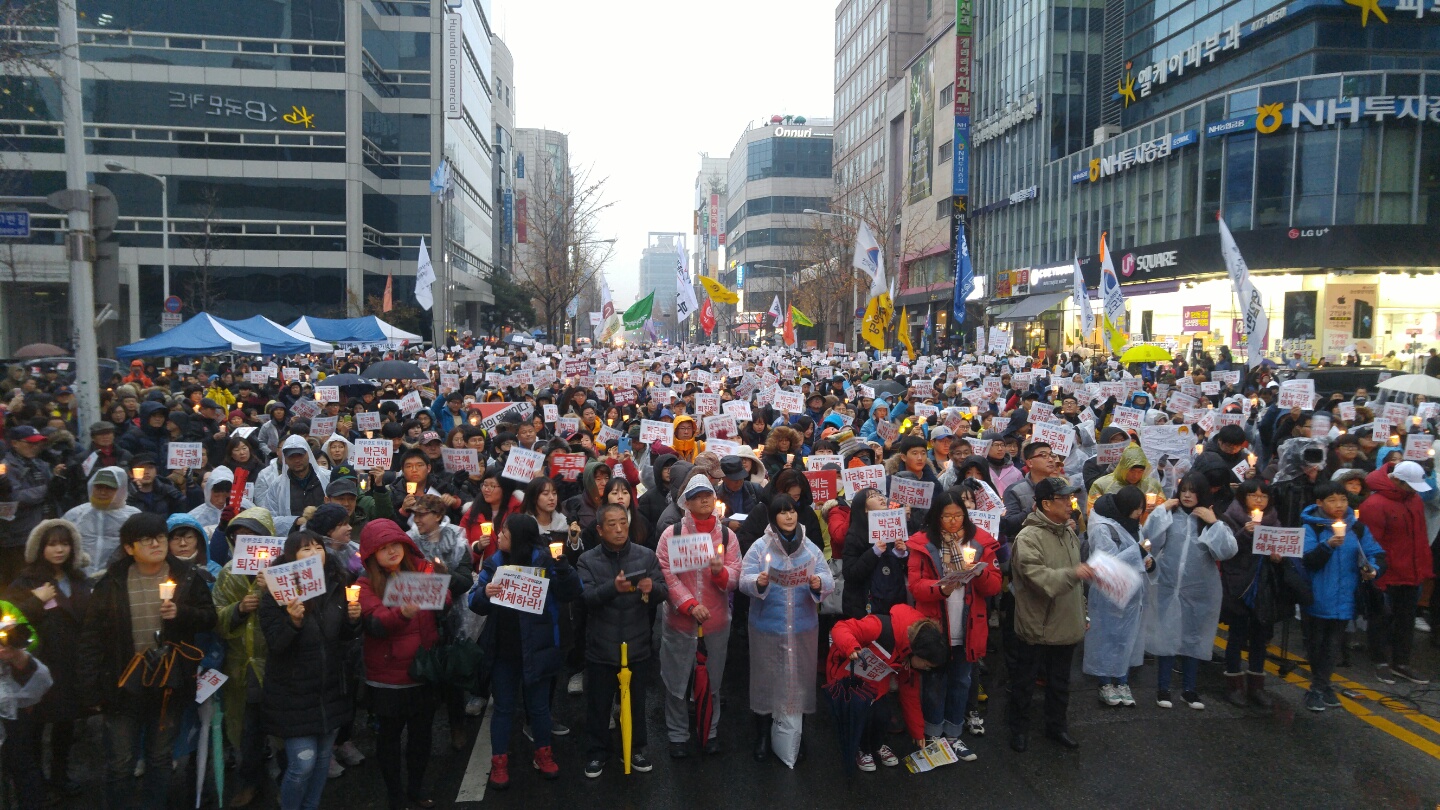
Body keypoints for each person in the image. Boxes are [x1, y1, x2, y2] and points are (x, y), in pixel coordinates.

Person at [78, 512, 217, 810]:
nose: (156, 544)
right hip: (121, 685)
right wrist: (92, 690)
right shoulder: (110, 584)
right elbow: (92, 639)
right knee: (120, 762)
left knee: (160, 758)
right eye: (146, 539)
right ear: (129, 548)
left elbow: (209, 618)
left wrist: (183, 614)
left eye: (160, 538)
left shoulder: (188, 577)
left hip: (168, 684)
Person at [470, 514, 582, 789]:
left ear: (519, 538)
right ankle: (499, 762)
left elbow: (573, 591)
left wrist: (564, 566)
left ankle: (543, 754)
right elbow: (474, 600)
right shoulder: (495, 563)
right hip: (504, 652)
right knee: (504, 708)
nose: (499, 537)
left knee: (540, 708)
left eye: (505, 534)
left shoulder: (546, 561)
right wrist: (486, 591)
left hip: (539, 648)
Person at [257, 529, 361, 810]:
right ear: (291, 557)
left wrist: (352, 621)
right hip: (293, 694)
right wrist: (292, 622)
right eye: (306, 549)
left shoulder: (337, 585)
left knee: (320, 762)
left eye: (318, 548)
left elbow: (340, 638)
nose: (315, 554)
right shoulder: (276, 593)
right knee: (302, 764)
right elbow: (276, 645)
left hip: (329, 689)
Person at [357, 519, 446, 810]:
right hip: (388, 679)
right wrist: (402, 613)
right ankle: (395, 795)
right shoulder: (365, 583)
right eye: (382, 548)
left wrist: (442, 581)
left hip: (423, 671)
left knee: (422, 737)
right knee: (389, 740)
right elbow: (375, 624)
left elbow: (443, 601)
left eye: (394, 544)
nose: (391, 551)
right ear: (371, 555)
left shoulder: (421, 569)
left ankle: (416, 790)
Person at [739, 493, 833, 767]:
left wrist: (818, 583)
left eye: (792, 511)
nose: (789, 516)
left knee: (799, 682)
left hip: (803, 626)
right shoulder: (760, 546)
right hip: (767, 627)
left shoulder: (810, 548)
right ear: (773, 517)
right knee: (766, 681)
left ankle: (796, 735)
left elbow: (828, 578)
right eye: (783, 512)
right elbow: (744, 579)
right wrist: (759, 581)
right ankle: (763, 736)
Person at [905, 490, 1000, 758]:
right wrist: (941, 589)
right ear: (936, 517)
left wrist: (977, 573)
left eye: (958, 515)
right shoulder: (923, 544)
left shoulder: (980, 542)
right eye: (947, 516)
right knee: (934, 681)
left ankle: (954, 734)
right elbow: (916, 585)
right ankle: (933, 734)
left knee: (961, 680)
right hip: (936, 625)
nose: (953, 521)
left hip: (968, 625)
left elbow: (993, 585)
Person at [575, 502, 666, 778]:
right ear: (600, 530)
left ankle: (637, 748)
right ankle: (597, 752)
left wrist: (652, 589)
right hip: (602, 645)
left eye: (623, 523)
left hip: (637, 642)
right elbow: (587, 599)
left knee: (637, 703)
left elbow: (663, 590)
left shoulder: (646, 555)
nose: (618, 529)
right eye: (611, 525)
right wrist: (612, 588)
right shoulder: (587, 560)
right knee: (599, 704)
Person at [654, 474, 740, 758]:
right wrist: (689, 604)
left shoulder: (728, 536)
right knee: (676, 681)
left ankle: (710, 731)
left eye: (708, 495)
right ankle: (678, 735)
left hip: (716, 623)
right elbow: (664, 574)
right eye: (697, 496)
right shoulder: (672, 534)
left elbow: (735, 575)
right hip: (680, 622)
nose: (704, 500)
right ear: (686, 503)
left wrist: (720, 573)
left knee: (713, 681)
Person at [6, 519, 91, 801]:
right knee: (35, 727)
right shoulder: (26, 581)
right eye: (52, 544)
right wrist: (34, 601)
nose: (59, 550)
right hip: (41, 665)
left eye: (65, 544)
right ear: (40, 547)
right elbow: (9, 622)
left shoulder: (78, 578)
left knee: (66, 725)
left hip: (72, 663)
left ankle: (60, 775)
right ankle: (35, 779)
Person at [1007, 477, 1093, 753]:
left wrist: (1083, 613)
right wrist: (1073, 573)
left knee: (1060, 681)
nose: (1071, 504)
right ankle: (1018, 729)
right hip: (1038, 624)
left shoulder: (1068, 532)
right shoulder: (1028, 537)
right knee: (1026, 681)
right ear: (1046, 504)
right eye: (1064, 499)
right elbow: (1038, 578)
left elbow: (1075, 583)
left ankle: (1057, 726)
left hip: (1066, 621)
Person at [1142, 472, 1238, 710]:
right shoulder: (1170, 516)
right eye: (1184, 490)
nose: (1187, 495)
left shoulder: (1209, 519)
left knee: (1194, 638)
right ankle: (1163, 688)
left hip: (1199, 591)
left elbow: (1227, 551)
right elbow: (1149, 538)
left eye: (1193, 491)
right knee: (1166, 636)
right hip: (1167, 585)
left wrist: (1213, 522)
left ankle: (1189, 689)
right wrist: (1161, 510)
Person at [826, 604, 948, 772]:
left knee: (883, 715)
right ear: (918, 652)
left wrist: (918, 732)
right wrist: (851, 648)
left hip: (875, 682)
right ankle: (862, 749)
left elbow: (910, 694)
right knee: (864, 715)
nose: (926, 669)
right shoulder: (880, 627)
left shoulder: (909, 655)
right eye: (926, 665)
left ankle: (877, 744)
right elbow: (840, 628)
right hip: (847, 674)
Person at [211, 506, 277, 808]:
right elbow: (217, 618)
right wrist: (239, 609)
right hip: (242, 668)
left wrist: (271, 591)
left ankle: (286, 778)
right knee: (247, 730)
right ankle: (251, 780)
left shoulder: (283, 570)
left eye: (253, 536)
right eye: (239, 537)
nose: (246, 542)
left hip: (278, 667)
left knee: (281, 726)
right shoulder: (227, 575)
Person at [1302, 482, 1386, 710]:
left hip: (1345, 597)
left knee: (1333, 645)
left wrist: (1373, 568)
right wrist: (1327, 546)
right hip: (1316, 597)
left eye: (1343, 500)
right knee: (1316, 644)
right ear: (1319, 503)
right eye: (1332, 500)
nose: (1339, 505)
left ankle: (1319, 688)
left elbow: (1375, 552)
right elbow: (1307, 560)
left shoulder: (1357, 528)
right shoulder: (1312, 528)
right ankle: (1321, 686)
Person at [406, 493, 476, 750]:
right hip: (417, 613)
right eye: (414, 514)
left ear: (437, 516)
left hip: (449, 618)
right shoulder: (409, 541)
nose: (417, 519)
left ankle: (457, 726)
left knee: (451, 675)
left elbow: (465, 580)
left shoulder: (457, 540)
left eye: (422, 514)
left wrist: (446, 577)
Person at [1358, 460, 1434, 684]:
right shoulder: (1374, 504)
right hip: (1387, 572)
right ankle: (1380, 661)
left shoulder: (1414, 500)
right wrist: (1374, 572)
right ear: (1398, 481)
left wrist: (1422, 567)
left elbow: (1420, 535)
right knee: (1380, 618)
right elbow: (1371, 544)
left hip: (1411, 571)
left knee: (1406, 619)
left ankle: (1402, 662)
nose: (1413, 490)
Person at [1217, 479, 1286, 707]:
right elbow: (1226, 551)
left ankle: (1256, 685)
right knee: (1237, 635)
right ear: (1242, 497)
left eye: (1263, 496)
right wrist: (1245, 534)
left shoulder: (1273, 521)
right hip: (1238, 584)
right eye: (1253, 495)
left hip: (1263, 586)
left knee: (1259, 637)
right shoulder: (1229, 518)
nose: (1259, 500)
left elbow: (1281, 551)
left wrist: (1278, 557)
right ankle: (1233, 684)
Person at [1082, 486, 1151, 708]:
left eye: (1141, 509)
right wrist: (1139, 554)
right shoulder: (1103, 528)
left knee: (1126, 638)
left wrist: (1149, 561)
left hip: (1132, 593)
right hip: (1108, 591)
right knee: (1106, 636)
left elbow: (1142, 551)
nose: (1138, 514)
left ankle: (1122, 681)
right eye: (1135, 509)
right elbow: (1107, 562)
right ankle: (1104, 683)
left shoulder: (1135, 526)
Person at [62, 466, 140, 576]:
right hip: (79, 577)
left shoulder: (133, 517)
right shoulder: (76, 514)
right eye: (98, 487)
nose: (103, 492)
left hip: (117, 578)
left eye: (109, 488)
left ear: (121, 489)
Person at [255, 435, 331, 519]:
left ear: (308, 454)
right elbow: (270, 517)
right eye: (291, 456)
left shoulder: (328, 477)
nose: (297, 460)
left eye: (300, 455)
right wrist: (295, 522)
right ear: (285, 459)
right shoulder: (277, 486)